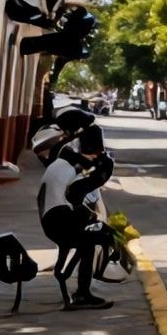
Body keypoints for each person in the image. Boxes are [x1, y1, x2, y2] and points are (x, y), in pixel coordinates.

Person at [36, 124, 116, 310]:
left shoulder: (62, 163)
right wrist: (101, 175)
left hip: (52, 219)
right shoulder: (71, 168)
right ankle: (82, 293)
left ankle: (70, 277)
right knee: (91, 241)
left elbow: (75, 202)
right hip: (58, 221)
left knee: (90, 237)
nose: (96, 158)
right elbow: (74, 196)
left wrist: (91, 216)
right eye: (95, 154)